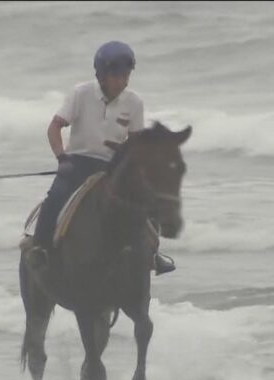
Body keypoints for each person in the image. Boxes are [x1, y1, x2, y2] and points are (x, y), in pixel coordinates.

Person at [27, 40, 175, 275]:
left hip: (112, 166)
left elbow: (135, 142)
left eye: (127, 75)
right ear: (102, 75)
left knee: (147, 199)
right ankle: (41, 248)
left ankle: (153, 255)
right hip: (77, 162)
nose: (123, 81)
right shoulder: (81, 94)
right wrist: (61, 157)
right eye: (117, 76)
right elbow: (54, 128)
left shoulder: (134, 102)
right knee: (55, 196)